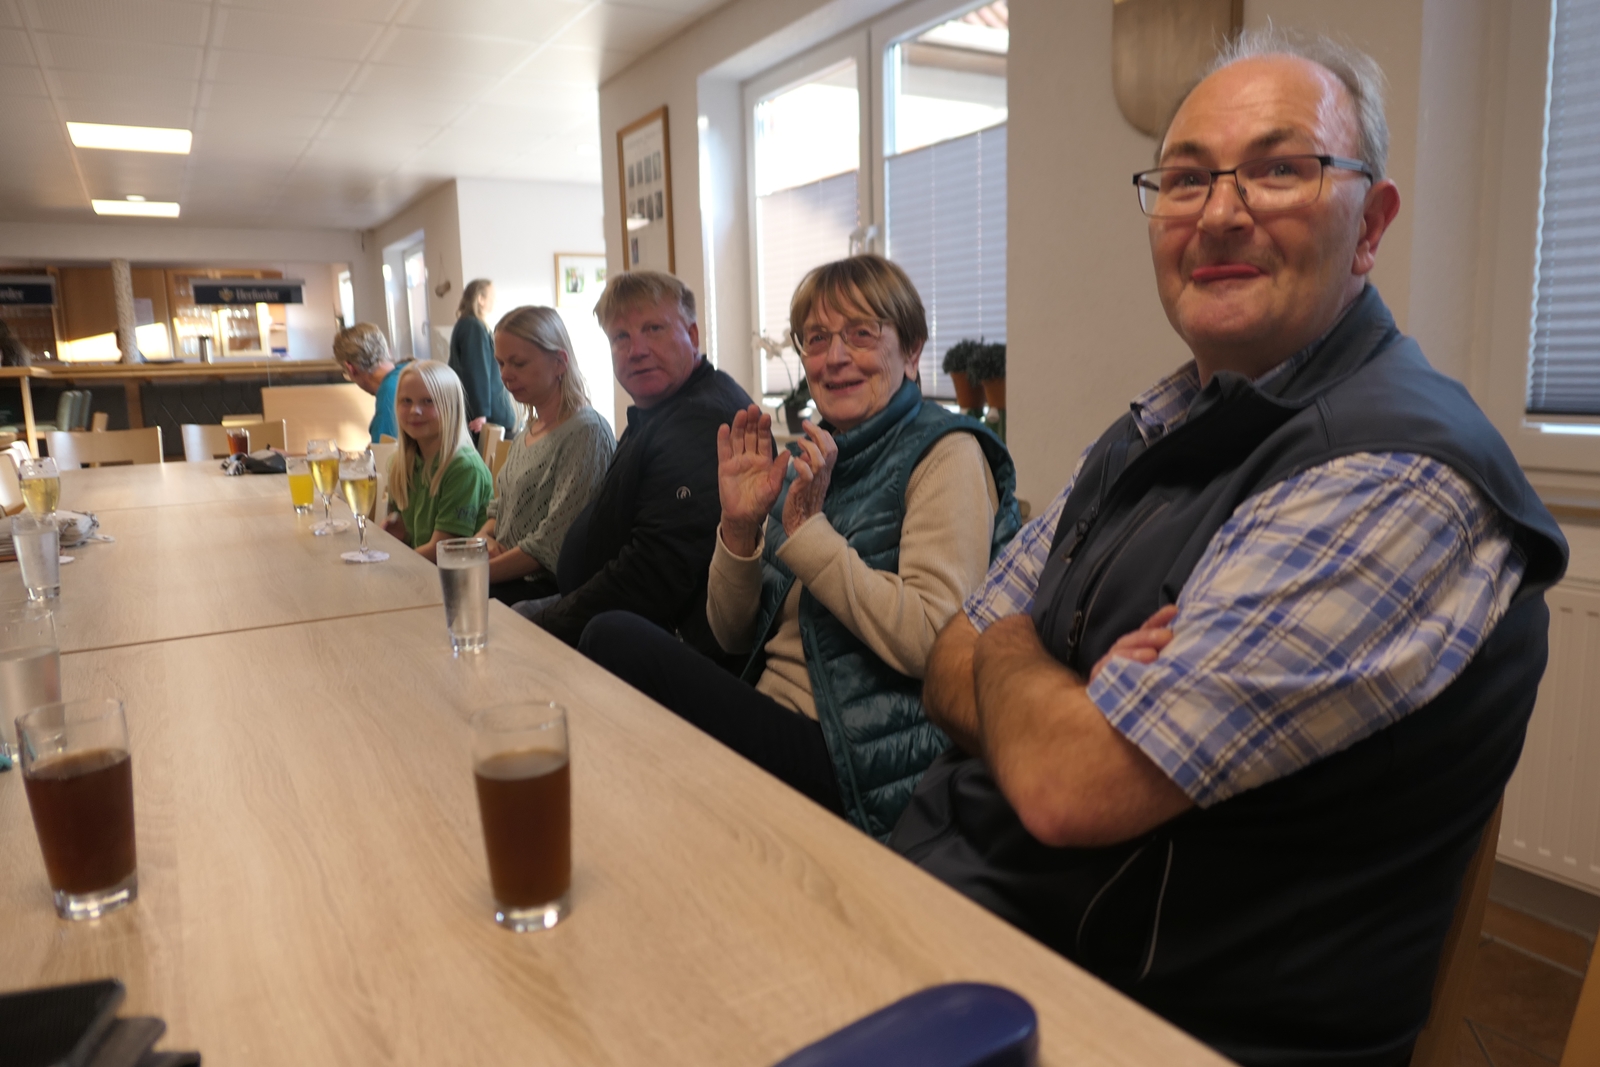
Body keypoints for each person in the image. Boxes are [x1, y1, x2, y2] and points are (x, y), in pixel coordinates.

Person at [890, 30, 1569, 1065]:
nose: (1217, 213)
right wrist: (1050, 690)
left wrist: (1017, 650)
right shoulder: (1157, 422)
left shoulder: (1397, 475)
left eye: (1279, 169)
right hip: (967, 934)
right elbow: (947, 655)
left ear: (1370, 224)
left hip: (1134, 1023)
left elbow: (1068, 783)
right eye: (1185, 178)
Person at [578, 256, 1021, 838]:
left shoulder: (947, 454)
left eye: (861, 334)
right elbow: (733, 635)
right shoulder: (815, 457)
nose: (834, 357)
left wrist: (810, 535)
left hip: (857, 764)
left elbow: (933, 641)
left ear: (912, 351)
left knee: (613, 638)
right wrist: (738, 529)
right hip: (776, 713)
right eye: (816, 339)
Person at [524, 271, 752, 659]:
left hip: (655, 639)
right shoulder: (663, 406)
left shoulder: (702, 421)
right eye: (620, 337)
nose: (636, 350)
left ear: (693, 336)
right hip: (600, 610)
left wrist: (545, 626)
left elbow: (654, 576)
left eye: (654, 329)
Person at [476, 305, 615, 606]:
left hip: (545, 591)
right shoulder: (530, 428)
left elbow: (553, 543)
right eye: (500, 363)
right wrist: (483, 540)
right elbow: (500, 509)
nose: (505, 375)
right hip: (507, 576)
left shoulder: (586, 432)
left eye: (518, 363)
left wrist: (473, 573)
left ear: (559, 363)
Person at [383, 360, 493, 562]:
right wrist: (399, 534)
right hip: (418, 571)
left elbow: (442, 551)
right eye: (406, 401)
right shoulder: (400, 464)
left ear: (451, 407)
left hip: (452, 575)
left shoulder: (464, 468)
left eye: (428, 401)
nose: (415, 410)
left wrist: (387, 565)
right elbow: (406, 534)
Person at [449, 278, 517, 438]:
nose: (495, 300)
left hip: (485, 414)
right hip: (488, 418)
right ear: (480, 299)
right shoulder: (473, 326)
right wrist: (480, 412)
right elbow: (476, 370)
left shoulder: (468, 324)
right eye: (492, 296)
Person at [333, 323, 401, 443]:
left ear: (351, 369)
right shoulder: (407, 370)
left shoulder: (389, 390)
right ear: (388, 352)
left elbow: (383, 451)